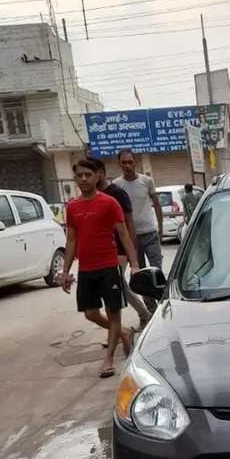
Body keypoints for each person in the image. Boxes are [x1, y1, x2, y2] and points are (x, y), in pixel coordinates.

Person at [61, 159, 140, 379]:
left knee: (114, 314)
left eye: (88, 175)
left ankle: (108, 359)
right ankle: (123, 333)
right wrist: (66, 271)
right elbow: (71, 240)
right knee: (90, 314)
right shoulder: (72, 207)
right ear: (75, 178)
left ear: (98, 176)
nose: (84, 179)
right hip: (86, 269)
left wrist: (134, 265)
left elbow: (123, 234)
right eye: (79, 175)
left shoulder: (109, 203)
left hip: (108, 267)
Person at [92, 159, 151, 329]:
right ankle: (138, 317)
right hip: (103, 250)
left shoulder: (117, 193)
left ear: (100, 173)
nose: (85, 179)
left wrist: (131, 247)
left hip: (119, 247)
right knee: (116, 287)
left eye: (90, 174)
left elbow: (129, 222)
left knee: (117, 286)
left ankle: (140, 316)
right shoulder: (94, 196)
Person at [113, 149, 163, 313]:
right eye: (124, 162)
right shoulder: (116, 185)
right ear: (119, 164)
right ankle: (151, 310)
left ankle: (164, 305)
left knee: (157, 272)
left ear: (135, 162)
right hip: (131, 238)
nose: (127, 165)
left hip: (150, 233)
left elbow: (156, 204)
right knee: (141, 276)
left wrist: (160, 227)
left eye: (130, 162)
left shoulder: (147, 181)